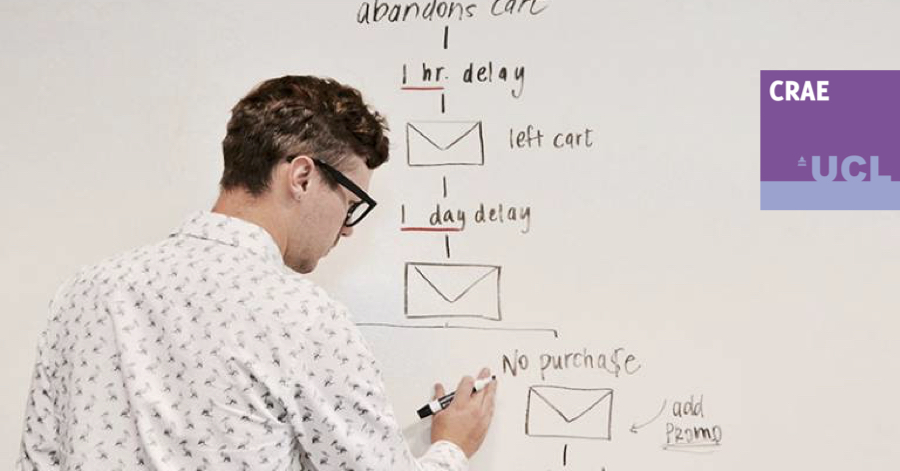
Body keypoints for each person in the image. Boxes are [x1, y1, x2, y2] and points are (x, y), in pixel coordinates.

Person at [17, 75, 497, 471]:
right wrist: (452, 445)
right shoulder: (303, 317)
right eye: (350, 205)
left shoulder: (85, 293)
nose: (346, 230)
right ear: (302, 177)